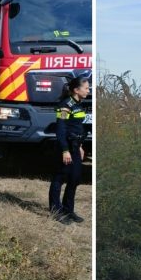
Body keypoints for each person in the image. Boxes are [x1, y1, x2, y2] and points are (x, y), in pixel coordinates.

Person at [50, 70, 91, 223]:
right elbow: (60, 130)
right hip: (65, 148)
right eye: (86, 88)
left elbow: (78, 128)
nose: (88, 90)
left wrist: (79, 146)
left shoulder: (79, 105)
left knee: (74, 178)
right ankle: (56, 211)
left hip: (75, 147)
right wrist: (65, 150)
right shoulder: (65, 106)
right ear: (76, 90)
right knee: (59, 178)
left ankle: (68, 210)